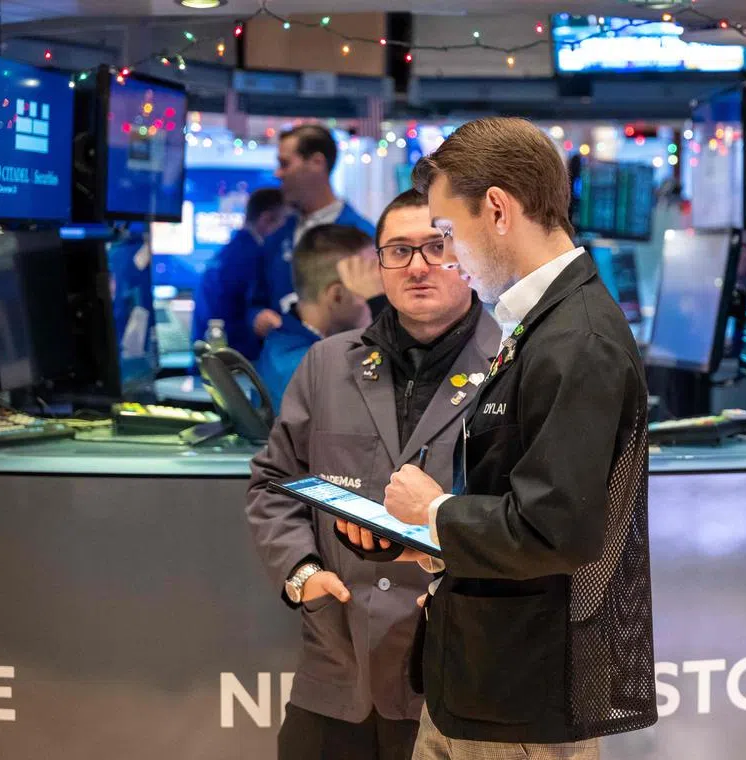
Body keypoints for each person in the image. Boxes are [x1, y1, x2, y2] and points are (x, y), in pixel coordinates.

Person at [340, 117, 657, 758]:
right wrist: (426, 541)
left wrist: (432, 512)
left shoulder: (577, 340)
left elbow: (552, 530)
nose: (447, 256)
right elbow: (515, 497)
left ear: (498, 210)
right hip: (488, 678)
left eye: (449, 233)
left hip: (526, 698)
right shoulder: (540, 322)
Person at [246, 188, 500, 760]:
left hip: (455, 675)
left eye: (436, 246)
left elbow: (533, 517)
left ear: (469, 254)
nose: (417, 266)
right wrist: (301, 573)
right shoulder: (327, 363)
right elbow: (272, 483)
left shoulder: (515, 363)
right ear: (376, 265)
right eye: (398, 251)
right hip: (337, 672)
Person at [248, 125, 377, 342]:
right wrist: (257, 316)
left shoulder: (363, 237)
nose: (277, 174)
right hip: (283, 362)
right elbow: (255, 301)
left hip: (342, 363)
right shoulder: (277, 236)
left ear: (317, 163)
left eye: (284, 164)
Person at [255, 224, 375, 414]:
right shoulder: (317, 370)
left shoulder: (283, 342)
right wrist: (373, 325)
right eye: (371, 287)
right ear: (337, 296)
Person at [191, 187, 286, 361]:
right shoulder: (254, 257)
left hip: (208, 361)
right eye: (284, 223)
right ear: (266, 220)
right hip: (235, 366)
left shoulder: (228, 252)